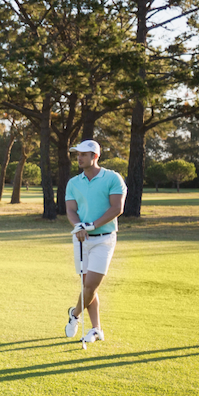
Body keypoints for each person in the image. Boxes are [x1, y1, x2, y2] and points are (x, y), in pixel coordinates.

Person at [63, 139, 127, 344]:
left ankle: (74, 314)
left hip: (104, 239)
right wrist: (79, 226)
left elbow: (117, 208)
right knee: (87, 287)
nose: (79, 158)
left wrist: (90, 225)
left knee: (90, 285)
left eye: (83, 154)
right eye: (77, 154)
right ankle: (96, 329)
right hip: (81, 240)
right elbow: (71, 210)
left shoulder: (112, 178)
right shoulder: (73, 182)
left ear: (95, 156)